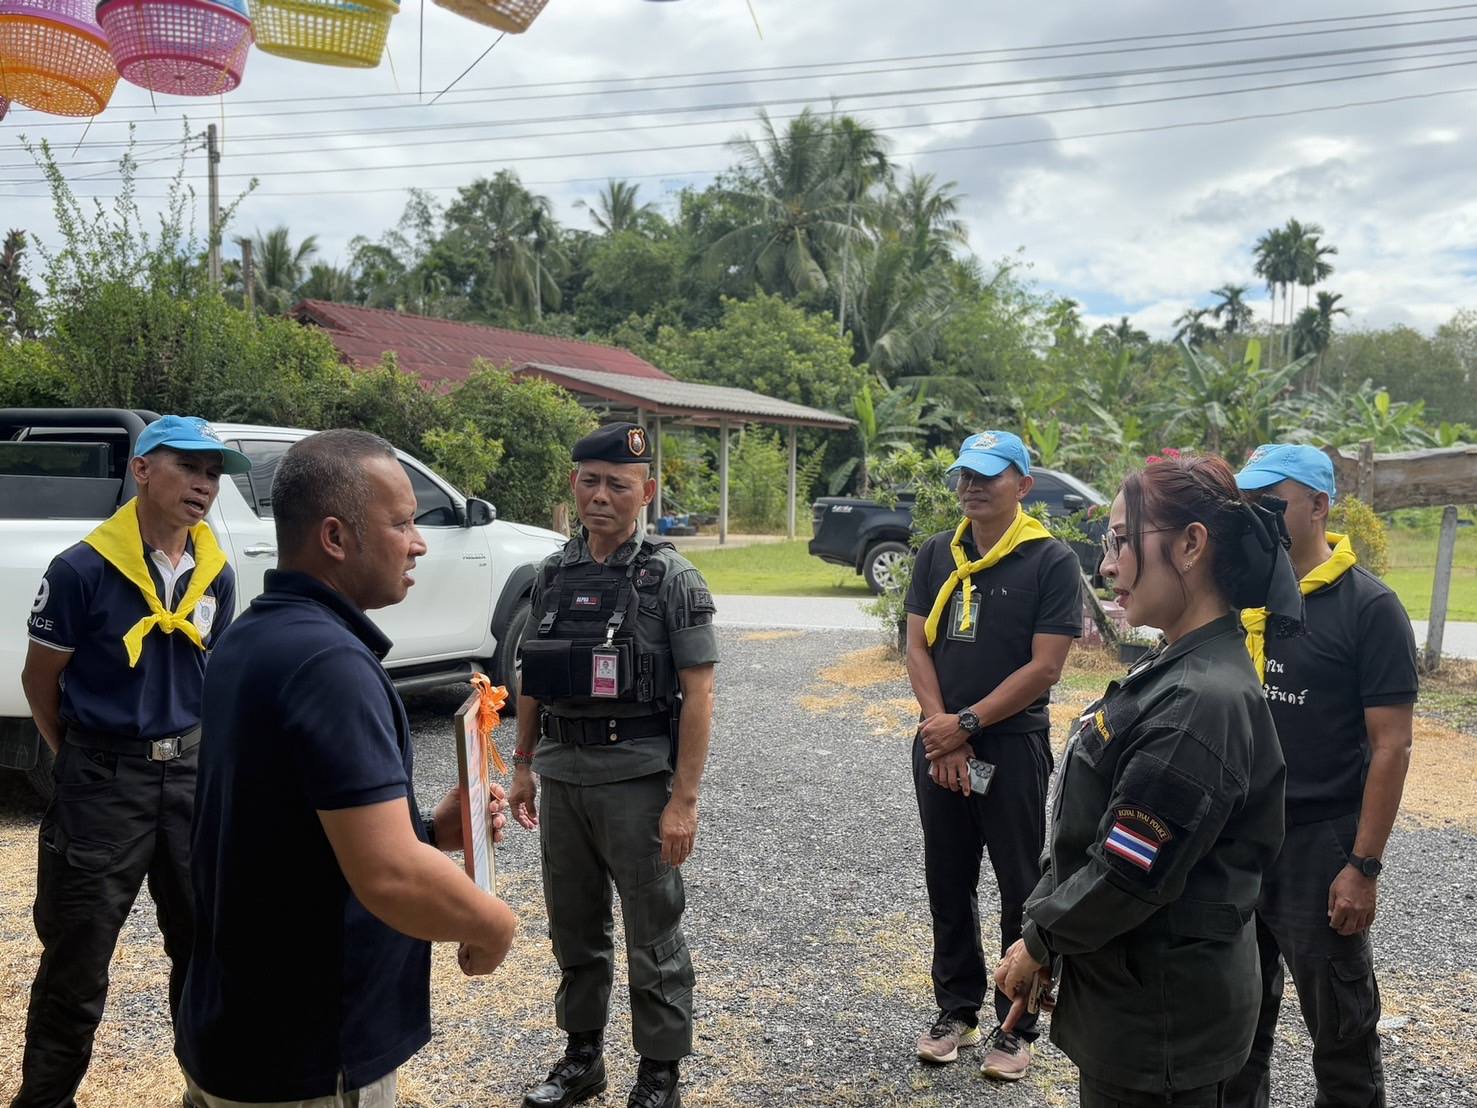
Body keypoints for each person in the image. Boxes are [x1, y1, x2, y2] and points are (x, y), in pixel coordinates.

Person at [175, 430, 518, 1107]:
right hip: (307, 1056)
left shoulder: (251, 637)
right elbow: (389, 876)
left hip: (234, 1029)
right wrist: (493, 924)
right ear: (334, 537)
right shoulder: (329, 666)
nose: (418, 543)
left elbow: (284, 831)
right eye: (402, 523)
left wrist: (427, 831)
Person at [996, 453, 1294, 1108]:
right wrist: (1046, 925)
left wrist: (1038, 942)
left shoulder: (1199, 703)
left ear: (1190, 545)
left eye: (1121, 541)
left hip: (1160, 1021)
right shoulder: (1176, 666)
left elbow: (1128, 870)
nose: (1107, 566)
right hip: (1135, 994)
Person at [14, 415, 249, 1108]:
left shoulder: (216, 574)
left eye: (213, 474)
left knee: (205, 952)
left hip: (189, 779)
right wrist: (81, 758)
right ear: (142, 470)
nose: (204, 485)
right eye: (189, 467)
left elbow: (212, 678)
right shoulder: (82, 570)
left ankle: (209, 1095)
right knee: (76, 961)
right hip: (103, 782)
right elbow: (40, 680)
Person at [509, 422, 718, 1108]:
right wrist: (522, 764)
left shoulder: (670, 578)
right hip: (563, 778)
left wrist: (683, 799)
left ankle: (659, 1073)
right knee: (574, 927)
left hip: (635, 781)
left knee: (652, 933)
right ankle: (582, 1058)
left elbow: (699, 694)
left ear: (645, 493)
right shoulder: (551, 574)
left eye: (618, 485)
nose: (601, 496)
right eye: (590, 481)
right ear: (574, 484)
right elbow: (532, 676)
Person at [1226, 444, 1417, 1108]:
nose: (1256, 514)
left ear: (1318, 506)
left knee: (1340, 1029)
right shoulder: (1236, 598)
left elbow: (1391, 746)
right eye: (1248, 502)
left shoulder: (1368, 607)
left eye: (1270, 501)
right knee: (1234, 1023)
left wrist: (1362, 866)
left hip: (1318, 843)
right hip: (1238, 840)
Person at [902, 430, 1082, 1081]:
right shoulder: (937, 553)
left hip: (1010, 747)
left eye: (988, 475)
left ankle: (1017, 1024)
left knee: (1018, 885)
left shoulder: (1049, 560)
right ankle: (955, 1010)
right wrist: (940, 730)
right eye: (965, 475)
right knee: (947, 880)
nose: (972, 487)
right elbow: (916, 645)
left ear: (1023, 485)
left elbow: (1045, 667)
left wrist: (967, 724)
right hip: (941, 744)